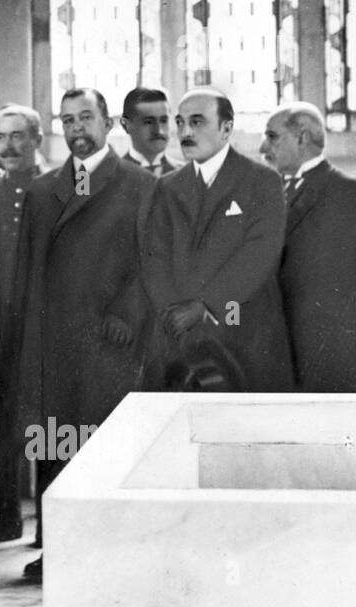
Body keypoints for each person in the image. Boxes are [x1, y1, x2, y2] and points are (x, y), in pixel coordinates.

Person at [11, 88, 153, 583]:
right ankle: (59, 549)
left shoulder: (141, 185)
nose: (76, 128)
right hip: (54, 342)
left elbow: (154, 261)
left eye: (86, 117)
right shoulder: (41, 191)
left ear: (110, 122)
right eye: (67, 119)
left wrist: (127, 311)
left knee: (101, 445)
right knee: (53, 444)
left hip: (108, 342)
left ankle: (109, 549)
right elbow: (27, 276)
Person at [143, 87, 293, 394]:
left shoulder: (262, 181)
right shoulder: (167, 188)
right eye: (181, 122)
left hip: (245, 335)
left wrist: (204, 305)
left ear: (226, 128)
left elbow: (259, 254)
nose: (185, 132)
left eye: (197, 122)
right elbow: (154, 257)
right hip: (180, 339)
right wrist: (175, 314)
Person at [0, 104, 45, 546]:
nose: (10, 146)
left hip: (42, 324)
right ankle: (6, 516)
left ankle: (49, 526)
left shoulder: (58, 185)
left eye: (20, 136)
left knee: (45, 424)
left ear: (36, 139)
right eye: (2, 136)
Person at [261, 101, 356, 391]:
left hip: (330, 357)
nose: (264, 147)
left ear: (302, 137)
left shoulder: (349, 195)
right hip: (272, 355)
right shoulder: (262, 195)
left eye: (272, 136)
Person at [119, 86, 177, 177]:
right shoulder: (107, 177)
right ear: (126, 125)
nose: (159, 130)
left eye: (163, 121)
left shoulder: (187, 175)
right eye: (148, 122)